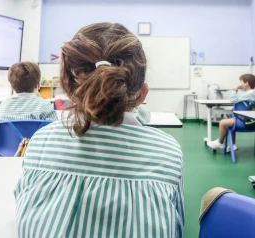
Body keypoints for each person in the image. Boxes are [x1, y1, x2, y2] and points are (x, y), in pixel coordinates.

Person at [14, 23, 184, 237]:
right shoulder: (167, 151)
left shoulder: (41, 142)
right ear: (142, 94)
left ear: (69, 91)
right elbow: (176, 228)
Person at [207, 74, 255, 151]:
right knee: (231, 118)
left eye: (240, 82)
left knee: (223, 122)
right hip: (253, 123)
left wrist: (235, 89)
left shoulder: (243, 95)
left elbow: (233, 100)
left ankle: (221, 142)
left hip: (243, 122)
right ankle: (232, 145)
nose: (239, 83)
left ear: (246, 83)